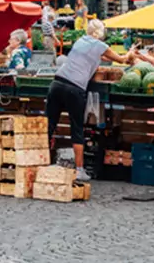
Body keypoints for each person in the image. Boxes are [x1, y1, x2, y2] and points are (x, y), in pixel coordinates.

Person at [46, 18, 134, 182]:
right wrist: (130, 54)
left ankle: (41, 161)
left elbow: (97, 58)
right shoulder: (100, 45)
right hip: (74, 88)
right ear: (100, 33)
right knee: (77, 128)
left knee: (50, 124)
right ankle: (79, 169)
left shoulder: (81, 41)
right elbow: (122, 60)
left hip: (57, 83)